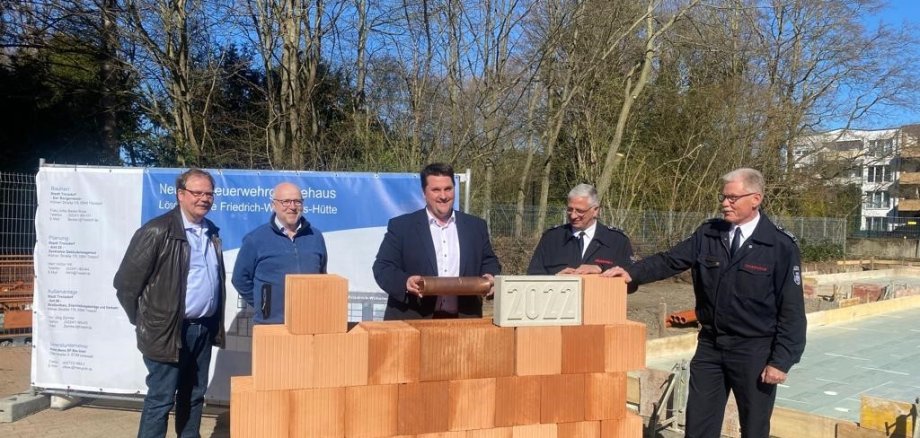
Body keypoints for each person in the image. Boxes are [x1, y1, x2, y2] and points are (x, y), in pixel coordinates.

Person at [602, 168, 806, 438]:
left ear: (755, 199)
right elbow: (669, 260)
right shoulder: (708, 234)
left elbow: (791, 308)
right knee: (699, 425)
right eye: (723, 197)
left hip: (754, 349)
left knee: (754, 427)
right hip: (711, 346)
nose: (724, 203)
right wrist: (632, 272)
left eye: (733, 198)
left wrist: (781, 360)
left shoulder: (779, 245)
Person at [114, 168, 226, 438]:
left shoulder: (211, 232)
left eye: (209, 193)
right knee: (161, 400)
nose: (204, 198)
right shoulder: (157, 230)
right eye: (197, 192)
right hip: (167, 333)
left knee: (194, 397)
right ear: (180, 194)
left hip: (202, 330)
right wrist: (148, 323)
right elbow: (126, 285)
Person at [373, 163, 501, 320]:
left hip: (463, 321)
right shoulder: (402, 227)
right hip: (413, 320)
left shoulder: (476, 227)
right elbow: (383, 267)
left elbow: (489, 261)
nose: (443, 196)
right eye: (436, 190)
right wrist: (405, 282)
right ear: (424, 193)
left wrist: (489, 275)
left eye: (448, 189)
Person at [232, 182, 328, 324]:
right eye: (286, 202)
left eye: (297, 201)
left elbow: (321, 275)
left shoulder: (315, 236)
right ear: (273, 205)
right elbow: (240, 279)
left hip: (309, 322)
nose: (292, 207)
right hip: (270, 324)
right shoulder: (255, 239)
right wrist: (265, 306)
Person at [527, 183, 635, 276]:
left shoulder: (617, 241)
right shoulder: (551, 238)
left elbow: (631, 281)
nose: (573, 216)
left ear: (595, 210)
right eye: (570, 210)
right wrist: (556, 279)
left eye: (580, 211)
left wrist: (602, 270)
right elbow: (533, 277)